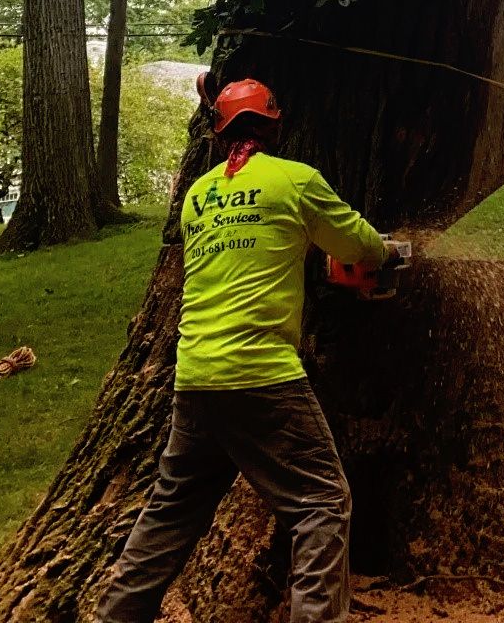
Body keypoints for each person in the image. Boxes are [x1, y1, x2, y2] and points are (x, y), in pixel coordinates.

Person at [98, 76, 394, 623]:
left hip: (196, 378)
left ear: (220, 134)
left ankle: (115, 616)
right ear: (275, 126)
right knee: (322, 502)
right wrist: (387, 251)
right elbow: (356, 243)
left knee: (170, 514)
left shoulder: (197, 197)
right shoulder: (293, 180)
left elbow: (243, 257)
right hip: (263, 376)